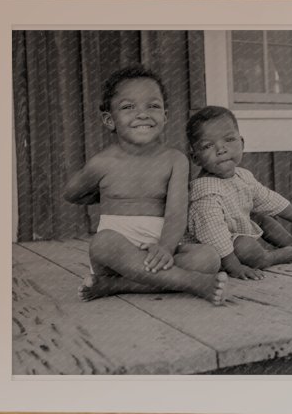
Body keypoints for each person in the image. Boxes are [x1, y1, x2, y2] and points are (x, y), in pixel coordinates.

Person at [65, 65, 227, 304]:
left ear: (165, 116)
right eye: (128, 107)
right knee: (103, 242)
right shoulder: (103, 163)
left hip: (159, 249)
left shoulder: (175, 160)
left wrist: (166, 247)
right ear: (109, 120)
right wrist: (104, 194)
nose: (142, 114)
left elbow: (175, 213)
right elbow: (72, 193)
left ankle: (115, 286)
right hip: (117, 258)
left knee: (209, 258)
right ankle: (192, 282)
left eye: (153, 106)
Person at [184, 105, 292, 281]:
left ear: (242, 143)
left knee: (262, 218)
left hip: (236, 231)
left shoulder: (242, 176)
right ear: (195, 158)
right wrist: (235, 267)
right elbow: (214, 236)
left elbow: (269, 200)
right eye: (208, 145)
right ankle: (268, 258)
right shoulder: (205, 194)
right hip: (217, 252)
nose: (221, 149)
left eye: (229, 139)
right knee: (244, 244)